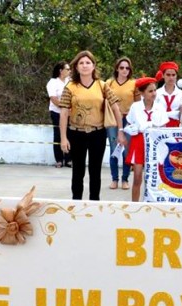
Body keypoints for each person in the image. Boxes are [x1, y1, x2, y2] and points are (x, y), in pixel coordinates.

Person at [59, 50, 126, 201]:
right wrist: (63, 138)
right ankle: (76, 202)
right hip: (76, 133)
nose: (84, 66)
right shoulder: (70, 87)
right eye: (81, 63)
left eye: (88, 63)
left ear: (93, 66)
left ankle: (94, 203)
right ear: (76, 67)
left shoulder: (102, 86)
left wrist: (120, 131)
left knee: (95, 171)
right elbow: (63, 113)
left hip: (98, 133)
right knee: (78, 171)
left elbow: (116, 109)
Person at [124, 77, 168, 202]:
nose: (154, 93)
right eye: (150, 91)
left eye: (155, 90)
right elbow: (130, 124)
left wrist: (151, 127)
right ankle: (135, 204)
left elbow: (162, 128)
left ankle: (154, 202)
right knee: (137, 177)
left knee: (155, 176)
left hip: (155, 143)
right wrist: (128, 130)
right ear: (142, 93)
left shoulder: (160, 107)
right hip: (139, 142)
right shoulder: (135, 107)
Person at [106, 57, 138, 190]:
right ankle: (114, 179)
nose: (124, 70)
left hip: (128, 120)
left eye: (127, 68)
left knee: (127, 150)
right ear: (117, 69)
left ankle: (125, 179)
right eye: (122, 67)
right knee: (114, 149)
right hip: (113, 119)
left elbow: (137, 104)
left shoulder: (134, 84)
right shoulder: (109, 83)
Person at [46, 61, 71, 168]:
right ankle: (59, 160)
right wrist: (64, 107)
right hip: (57, 112)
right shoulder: (52, 82)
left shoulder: (69, 81)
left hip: (70, 113)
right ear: (61, 71)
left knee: (70, 134)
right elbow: (53, 98)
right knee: (58, 135)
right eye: (67, 69)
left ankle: (69, 159)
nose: (70, 71)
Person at [156, 61, 182, 127]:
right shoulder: (156, 93)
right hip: (159, 128)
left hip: (176, 129)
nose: (171, 78)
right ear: (163, 75)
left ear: (176, 76)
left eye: (173, 75)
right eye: (168, 75)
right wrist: (174, 113)